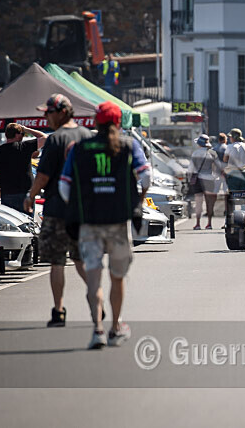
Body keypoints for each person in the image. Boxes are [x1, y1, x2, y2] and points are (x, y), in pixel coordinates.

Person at [59, 101, 151, 349]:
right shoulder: (129, 145)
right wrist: (139, 200)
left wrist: (79, 206)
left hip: (90, 222)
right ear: (118, 123)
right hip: (118, 221)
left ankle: (97, 330)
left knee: (94, 278)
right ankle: (116, 327)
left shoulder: (80, 148)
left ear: (95, 122)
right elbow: (146, 176)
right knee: (117, 277)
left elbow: (64, 186)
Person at [24, 94, 93, 327]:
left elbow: (42, 176)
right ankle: (97, 298)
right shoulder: (86, 136)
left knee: (57, 262)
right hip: (82, 211)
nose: (46, 117)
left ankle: (59, 310)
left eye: (49, 113)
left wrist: (30, 196)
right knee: (81, 260)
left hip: (57, 210)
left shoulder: (55, 140)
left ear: (62, 112)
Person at [0, 123, 48, 214]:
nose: (23, 136)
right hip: (25, 193)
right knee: (26, 221)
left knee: (10, 222)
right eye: (22, 134)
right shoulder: (24, 146)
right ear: (17, 135)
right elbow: (45, 138)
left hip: (7, 194)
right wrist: (26, 129)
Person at [189, 134, 222, 230]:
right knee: (209, 202)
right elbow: (218, 167)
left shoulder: (195, 153)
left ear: (199, 144)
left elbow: (191, 168)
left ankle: (198, 224)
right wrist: (216, 177)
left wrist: (190, 178)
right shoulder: (212, 153)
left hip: (198, 180)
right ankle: (209, 223)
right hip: (209, 179)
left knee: (198, 202)